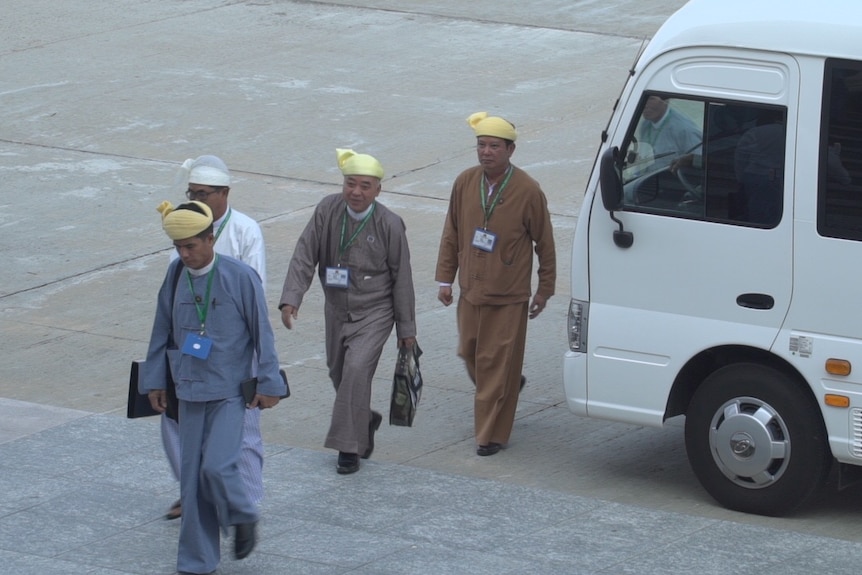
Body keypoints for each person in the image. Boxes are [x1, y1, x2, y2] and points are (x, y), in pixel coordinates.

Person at [141, 200, 285, 575]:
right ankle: (197, 563)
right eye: (179, 247)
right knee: (191, 483)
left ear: (210, 239)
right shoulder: (175, 275)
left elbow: (262, 334)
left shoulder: (239, 277)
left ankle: (242, 515)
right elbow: (161, 330)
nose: (185, 254)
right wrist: (155, 380)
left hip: (228, 393)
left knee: (218, 467)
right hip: (187, 390)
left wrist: (270, 383)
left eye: (191, 245)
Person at [279, 149, 417, 475]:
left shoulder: (390, 224)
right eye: (350, 184)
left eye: (365, 186)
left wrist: (406, 330)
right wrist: (291, 298)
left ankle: (348, 447)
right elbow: (304, 253)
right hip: (336, 308)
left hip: (376, 312)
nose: (356, 192)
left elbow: (403, 278)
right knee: (338, 373)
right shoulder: (327, 209)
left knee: (356, 370)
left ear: (378, 190)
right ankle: (364, 420)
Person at [435, 112, 556, 457]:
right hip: (471, 289)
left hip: (508, 294)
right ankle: (508, 385)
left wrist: (544, 289)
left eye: (494, 146)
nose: (486, 152)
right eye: (481, 145)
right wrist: (446, 279)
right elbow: (452, 232)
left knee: (492, 363)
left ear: (510, 150)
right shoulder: (464, 183)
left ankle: (490, 436)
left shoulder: (528, 190)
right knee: (470, 352)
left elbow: (544, 243)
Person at [161, 155, 268, 521]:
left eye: (204, 193)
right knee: (175, 423)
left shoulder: (244, 229)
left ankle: (246, 504)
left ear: (224, 193)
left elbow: (256, 294)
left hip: (233, 349)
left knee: (245, 429)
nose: (197, 199)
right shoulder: (185, 228)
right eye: (192, 192)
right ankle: (192, 493)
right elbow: (170, 297)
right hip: (191, 348)